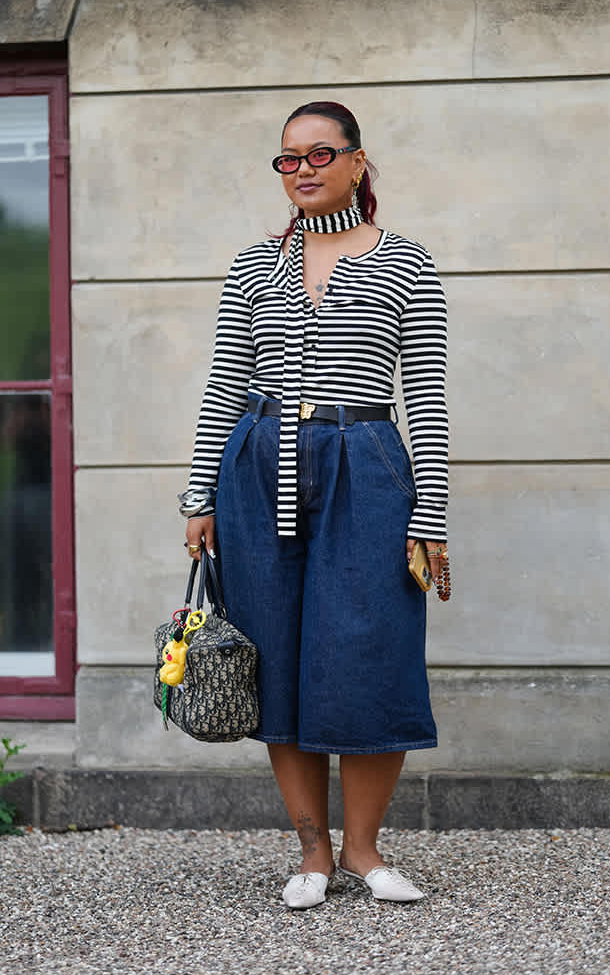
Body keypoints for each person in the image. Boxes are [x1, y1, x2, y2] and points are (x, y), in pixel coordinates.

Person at [179, 101, 450, 909]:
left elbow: (425, 399)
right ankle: (312, 852)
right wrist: (200, 494)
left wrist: (428, 515)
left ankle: (365, 851)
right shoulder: (255, 264)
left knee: (370, 655)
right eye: (288, 158)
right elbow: (227, 382)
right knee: (278, 660)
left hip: (363, 468)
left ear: (359, 162)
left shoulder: (406, 261)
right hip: (257, 472)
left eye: (320, 154)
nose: (302, 169)